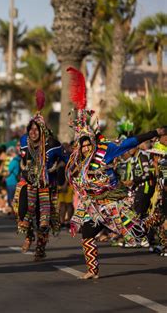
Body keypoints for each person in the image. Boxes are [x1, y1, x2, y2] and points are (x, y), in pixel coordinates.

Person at [64, 67, 167, 279]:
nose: (85, 148)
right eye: (82, 146)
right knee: (87, 235)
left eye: (87, 145)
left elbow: (131, 141)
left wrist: (154, 133)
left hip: (113, 203)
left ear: (92, 142)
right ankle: (93, 271)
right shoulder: (77, 159)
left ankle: (154, 223)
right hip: (92, 205)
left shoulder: (107, 149)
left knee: (136, 233)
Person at [13, 90, 65, 261]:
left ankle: (40, 249)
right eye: (31, 129)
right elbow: (20, 157)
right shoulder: (23, 142)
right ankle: (29, 236)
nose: (33, 132)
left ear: (43, 131)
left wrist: (60, 175)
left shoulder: (53, 145)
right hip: (26, 185)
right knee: (22, 215)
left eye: (37, 129)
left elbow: (66, 160)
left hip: (45, 188)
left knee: (43, 221)